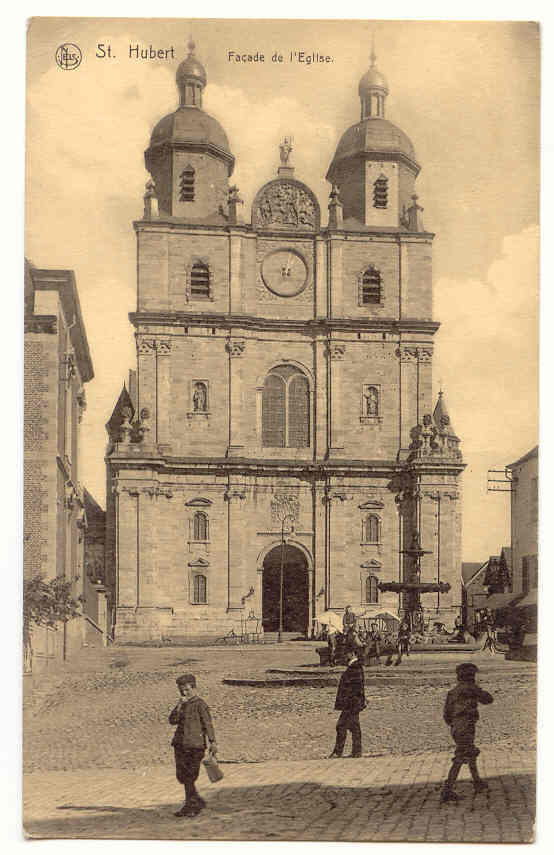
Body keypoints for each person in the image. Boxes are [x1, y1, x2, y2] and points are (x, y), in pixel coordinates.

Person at [440, 662, 493, 803]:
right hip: (466, 727)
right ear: (470, 676)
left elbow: (446, 715)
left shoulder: (453, 692)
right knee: (460, 757)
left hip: (456, 727)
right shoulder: (470, 688)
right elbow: (488, 699)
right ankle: (447, 790)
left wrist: (455, 724)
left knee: (470, 753)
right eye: (473, 675)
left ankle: (477, 781)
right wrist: (479, 690)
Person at [169, 673, 217, 818]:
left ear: (194, 688)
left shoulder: (200, 704)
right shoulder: (182, 704)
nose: (184, 692)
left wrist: (213, 742)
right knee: (182, 776)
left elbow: (207, 723)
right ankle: (195, 801)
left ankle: (191, 806)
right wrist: (178, 706)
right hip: (180, 744)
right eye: (181, 690)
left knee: (190, 776)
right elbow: (172, 721)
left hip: (196, 746)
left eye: (187, 689)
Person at [329, 651, 366, 758]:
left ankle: (338, 752)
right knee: (354, 727)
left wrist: (348, 702)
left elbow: (355, 688)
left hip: (351, 704)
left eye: (346, 654)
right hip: (353, 704)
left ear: (353, 654)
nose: (345, 656)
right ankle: (356, 751)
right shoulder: (355, 667)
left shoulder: (355, 668)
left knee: (341, 726)